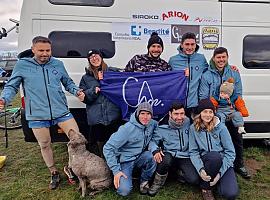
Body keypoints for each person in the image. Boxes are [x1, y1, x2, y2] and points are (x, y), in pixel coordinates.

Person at [0, 36, 85, 190]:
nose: (45, 53)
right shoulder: (22, 65)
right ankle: (53, 172)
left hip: (61, 111)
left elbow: (68, 82)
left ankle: (71, 168)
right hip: (37, 113)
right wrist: (4, 99)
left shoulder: (58, 64)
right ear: (33, 50)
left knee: (77, 139)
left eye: (48, 50)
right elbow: (11, 86)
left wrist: (76, 91)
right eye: (41, 50)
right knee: (45, 144)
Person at [199, 47, 251, 179]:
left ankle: (239, 164)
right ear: (214, 58)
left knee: (237, 137)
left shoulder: (234, 73)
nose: (221, 60)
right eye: (218, 57)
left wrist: (230, 100)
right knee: (218, 136)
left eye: (223, 57)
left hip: (231, 108)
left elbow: (238, 92)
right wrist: (216, 103)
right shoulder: (207, 75)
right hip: (215, 111)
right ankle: (220, 164)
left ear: (227, 57)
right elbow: (203, 96)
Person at [103, 102, 157, 196]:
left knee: (152, 156)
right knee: (124, 191)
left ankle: (144, 181)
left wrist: (155, 149)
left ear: (151, 115)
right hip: (125, 161)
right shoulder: (127, 129)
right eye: (142, 113)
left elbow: (155, 137)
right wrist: (116, 170)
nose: (145, 117)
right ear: (137, 114)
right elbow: (107, 148)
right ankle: (119, 176)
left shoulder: (152, 124)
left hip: (139, 157)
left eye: (148, 114)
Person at [189, 99, 239, 200]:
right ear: (200, 113)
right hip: (206, 161)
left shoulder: (221, 128)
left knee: (230, 194)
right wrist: (200, 169)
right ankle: (206, 188)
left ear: (214, 113)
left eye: (210, 112)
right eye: (205, 111)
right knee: (214, 157)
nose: (208, 115)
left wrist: (219, 174)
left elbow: (230, 153)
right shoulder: (193, 128)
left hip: (222, 161)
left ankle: (215, 180)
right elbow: (193, 151)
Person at [148, 101, 199, 196]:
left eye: (182, 113)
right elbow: (152, 141)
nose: (179, 117)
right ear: (170, 114)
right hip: (169, 154)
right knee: (164, 159)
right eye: (176, 114)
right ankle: (157, 183)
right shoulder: (162, 126)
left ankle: (176, 174)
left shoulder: (189, 122)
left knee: (194, 180)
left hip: (185, 155)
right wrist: (155, 150)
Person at [79, 49, 122, 157]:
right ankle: (101, 165)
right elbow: (83, 97)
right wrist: (93, 91)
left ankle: (114, 166)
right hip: (96, 118)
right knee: (99, 144)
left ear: (101, 57)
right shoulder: (85, 78)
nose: (94, 58)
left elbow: (125, 82)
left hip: (113, 116)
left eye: (96, 55)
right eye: (91, 57)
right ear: (89, 60)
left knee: (114, 143)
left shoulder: (113, 72)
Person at [169, 32, 208, 119]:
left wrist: (229, 67)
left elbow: (211, 71)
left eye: (192, 44)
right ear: (181, 45)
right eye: (187, 44)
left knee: (194, 130)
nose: (190, 47)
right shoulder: (173, 60)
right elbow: (168, 80)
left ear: (195, 45)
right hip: (179, 105)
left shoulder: (201, 59)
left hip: (195, 105)